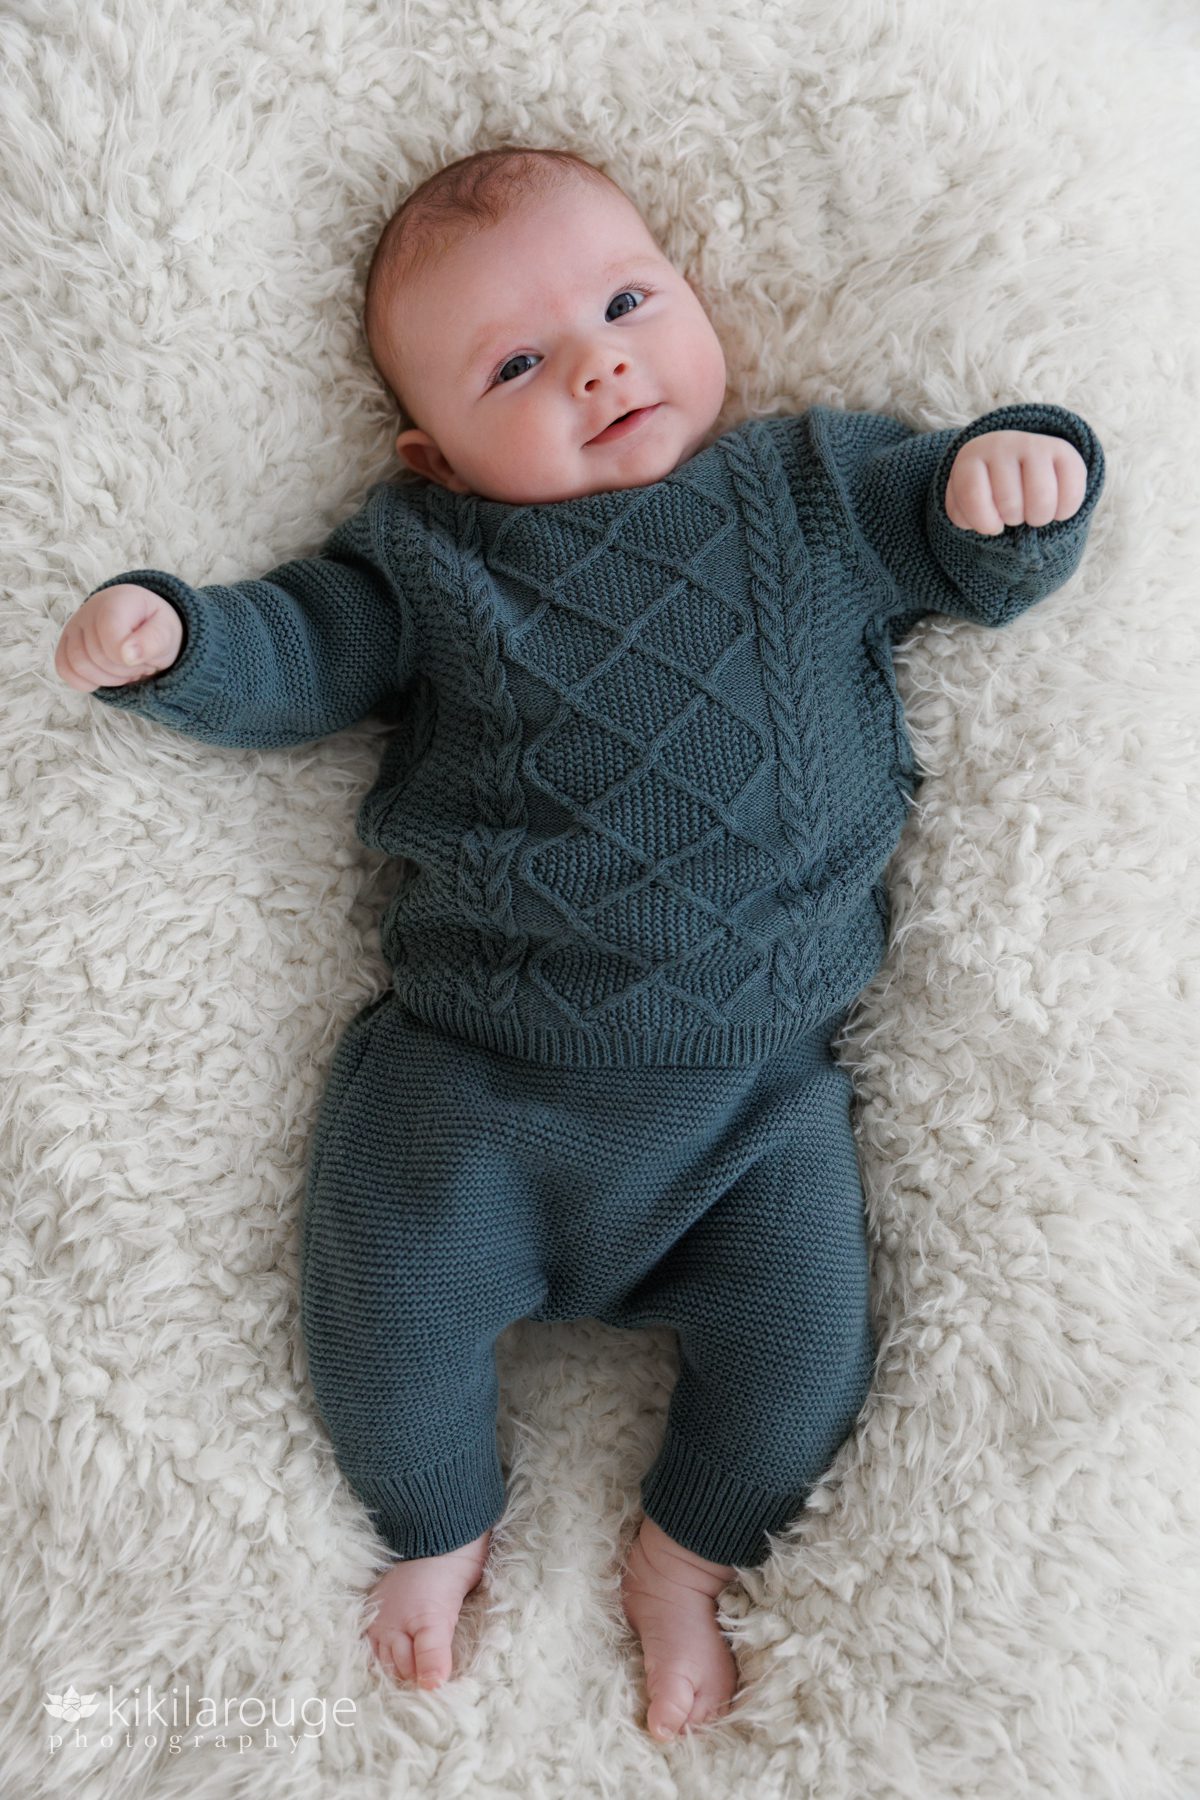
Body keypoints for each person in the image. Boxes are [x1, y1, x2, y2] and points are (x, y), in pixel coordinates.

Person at [53, 144, 1105, 1743]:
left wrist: (1007, 485)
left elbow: (963, 541)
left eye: (627, 301)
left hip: (752, 1112)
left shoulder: (811, 489)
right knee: (380, 1311)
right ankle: (439, 1524)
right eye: (519, 363)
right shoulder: (428, 558)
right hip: (471, 1087)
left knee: (806, 1361)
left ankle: (684, 1560)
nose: (601, 359)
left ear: (687, 295)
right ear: (436, 451)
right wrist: (185, 642)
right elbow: (304, 644)